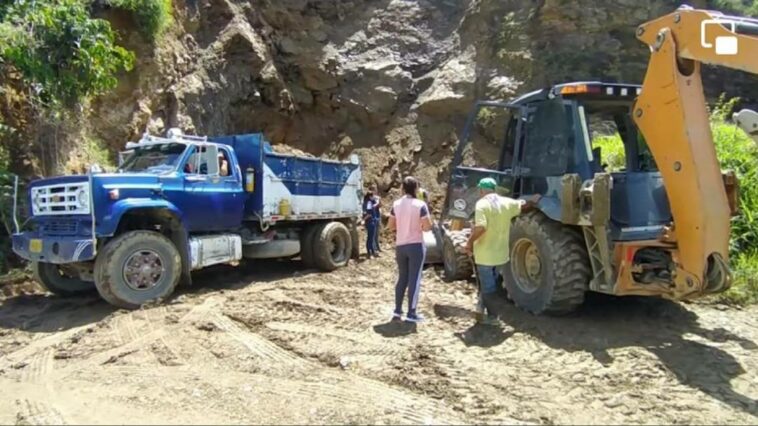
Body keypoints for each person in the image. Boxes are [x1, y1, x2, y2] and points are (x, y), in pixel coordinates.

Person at [464, 177, 540, 325]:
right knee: (491, 283)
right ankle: (480, 309)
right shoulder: (506, 202)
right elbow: (522, 205)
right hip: (500, 254)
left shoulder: (482, 204)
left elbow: (481, 227)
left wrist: (469, 243)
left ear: (481, 190)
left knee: (487, 287)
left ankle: (493, 318)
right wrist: (534, 199)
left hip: (484, 254)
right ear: (494, 189)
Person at [388, 176, 433, 323]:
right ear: (416, 188)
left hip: (400, 245)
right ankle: (411, 312)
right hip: (415, 245)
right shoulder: (420, 205)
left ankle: (397, 311)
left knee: (402, 278)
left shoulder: (395, 204)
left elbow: (391, 226)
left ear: (402, 188)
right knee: (415, 278)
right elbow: (427, 227)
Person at [363, 189, 380, 258]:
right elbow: (368, 213)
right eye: (372, 196)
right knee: (370, 237)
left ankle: (372, 251)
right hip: (370, 222)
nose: (373, 197)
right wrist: (364, 219)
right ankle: (369, 252)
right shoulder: (368, 203)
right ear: (370, 196)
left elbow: (375, 205)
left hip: (372, 221)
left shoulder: (369, 202)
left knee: (371, 237)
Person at [368, 184, 382, 254]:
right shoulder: (369, 198)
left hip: (378, 216)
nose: (375, 191)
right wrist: (376, 204)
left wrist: (379, 203)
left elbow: (380, 206)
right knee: (373, 234)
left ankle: (377, 247)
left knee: (377, 234)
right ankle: (373, 249)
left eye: (375, 189)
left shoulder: (377, 198)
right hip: (373, 217)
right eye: (374, 189)